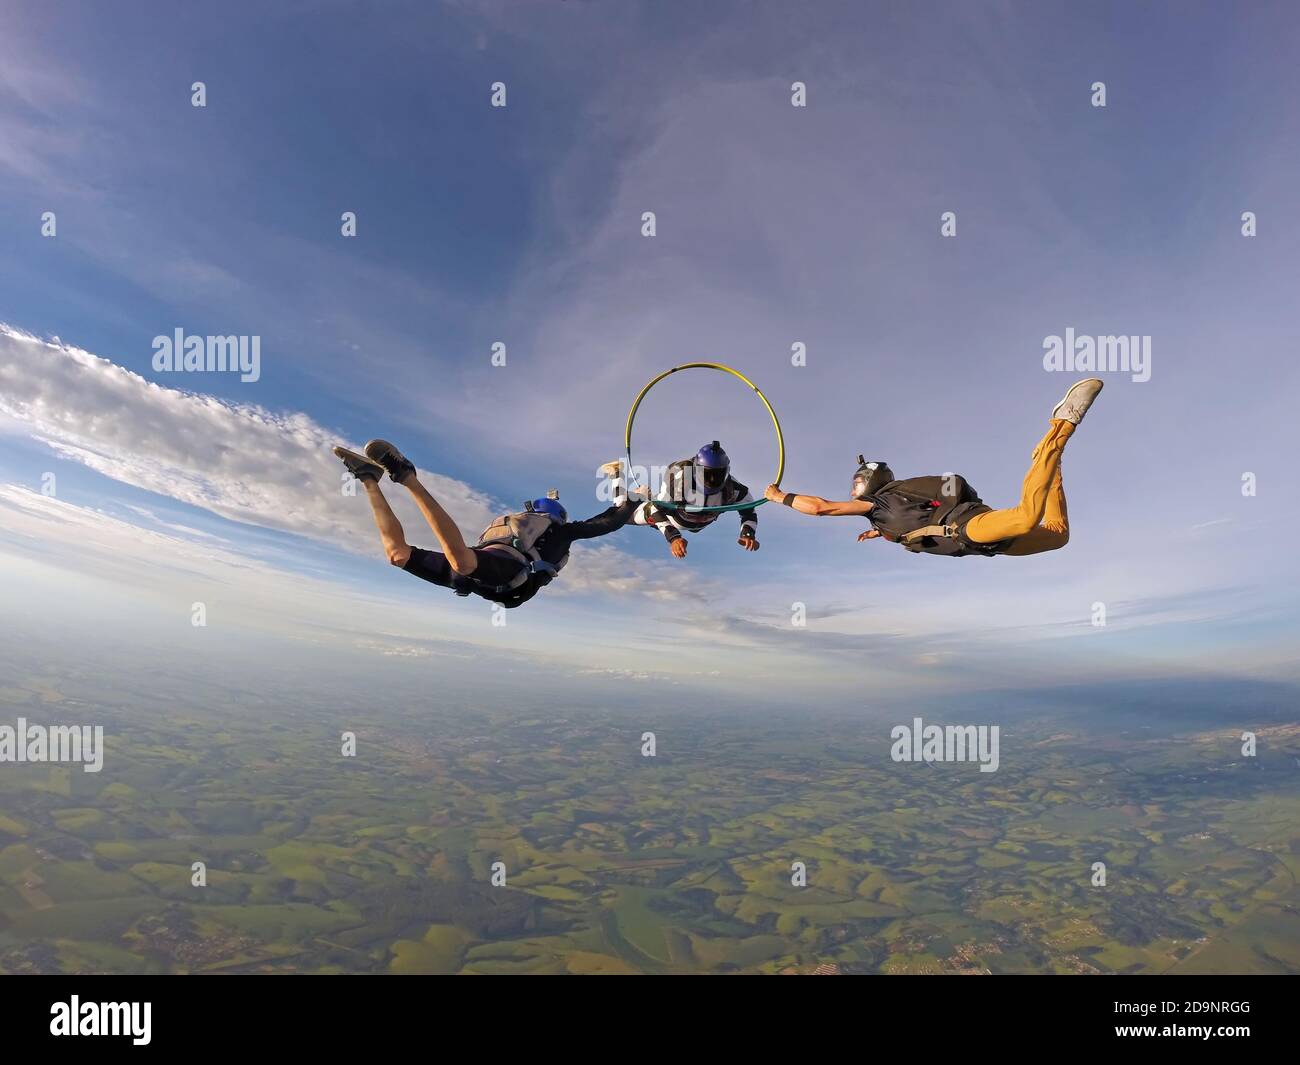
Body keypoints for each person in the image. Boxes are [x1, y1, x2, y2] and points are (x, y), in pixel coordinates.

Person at [764, 379, 1103, 557]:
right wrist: (880, 533)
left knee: (1027, 515)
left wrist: (780, 497)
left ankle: (1061, 425)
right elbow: (914, 524)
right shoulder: (885, 517)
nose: (852, 491)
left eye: (856, 483)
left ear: (869, 482)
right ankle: (1050, 464)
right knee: (1058, 536)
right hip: (986, 545)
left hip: (972, 529)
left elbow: (821, 508)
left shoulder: (878, 503)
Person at [334, 441, 639, 607]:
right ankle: (386, 477)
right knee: (419, 557)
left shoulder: (554, 530)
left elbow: (609, 522)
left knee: (425, 558)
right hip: (492, 573)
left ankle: (387, 476)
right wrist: (629, 501)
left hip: (493, 574)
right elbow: (610, 521)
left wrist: (625, 497)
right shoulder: (563, 531)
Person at [625, 440, 760, 559]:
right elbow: (656, 509)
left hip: (699, 522)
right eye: (707, 474)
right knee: (625, 516)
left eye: (718, 475)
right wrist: (674, 538)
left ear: (726, 472)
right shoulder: (680, 482)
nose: (712, 480)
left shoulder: (733, 489)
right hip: (672, 518)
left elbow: (749, 510)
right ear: (696, 470)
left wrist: (748, 533)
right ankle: (617, 477)